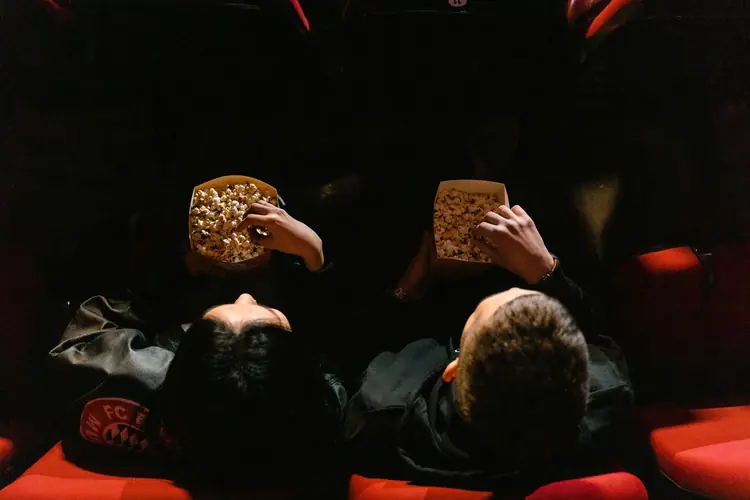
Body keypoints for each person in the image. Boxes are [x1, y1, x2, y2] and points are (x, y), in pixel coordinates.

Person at [49, 202, 348, 490]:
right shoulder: (325, 410)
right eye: (265, 310)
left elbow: (85, 336)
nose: (244, 295)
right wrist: (315, 259)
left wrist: (182, 270)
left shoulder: (142, 382)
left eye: (208, 325)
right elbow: (340, 342)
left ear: (182, 358)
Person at [342, 205, 634, 492]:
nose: (515, 290)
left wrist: (408, 289)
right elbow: (597, 332)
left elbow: (358, 349)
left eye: (477, 314)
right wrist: (545, 270)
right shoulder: (609, 396)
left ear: (454, 370)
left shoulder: (383, 410)